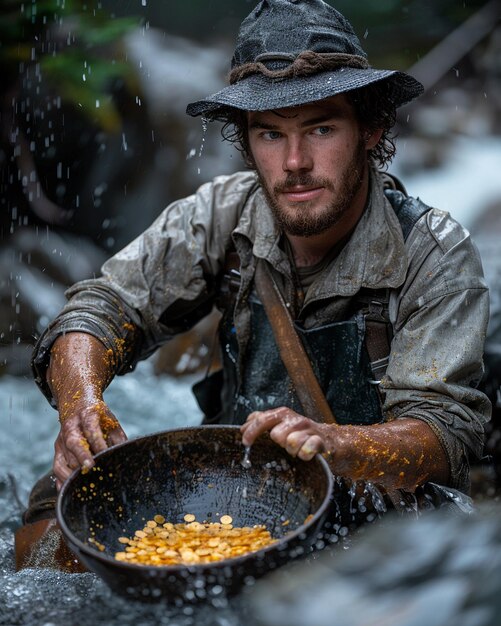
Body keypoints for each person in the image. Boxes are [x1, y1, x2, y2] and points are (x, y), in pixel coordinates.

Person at [18, 0, 490, 568]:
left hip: (371, 503)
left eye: (319, 128)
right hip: (238, 485)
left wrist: (332, 443)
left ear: (371, 128)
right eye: (270, 134)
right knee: (63, 501)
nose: (293, 162)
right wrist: (81, 408)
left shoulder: (434, 253)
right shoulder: (221, 215)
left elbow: (442, 436)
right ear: (246, 142)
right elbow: (98, 310)